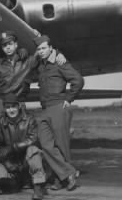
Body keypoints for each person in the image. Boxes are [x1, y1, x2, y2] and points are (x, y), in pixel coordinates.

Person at [34, 35, 84, 164]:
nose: (41, 51)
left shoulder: (59, 62)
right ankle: (65, 174)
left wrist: (69, 99)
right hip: (46, 108)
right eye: (39, 49)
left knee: (62, 146)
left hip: (58, 107)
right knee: (46, 144)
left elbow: (78, 80)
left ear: (50, 48)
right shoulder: (41, 65)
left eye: (44, 48)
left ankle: (66, 179)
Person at [0, 30, 66, 113]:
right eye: (4, 45)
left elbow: (44, 51)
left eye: (10, 44)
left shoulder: (28, 62)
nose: (8, 47)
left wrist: (57, 53)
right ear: (2, 48)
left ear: (16, 44)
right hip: (1, 102)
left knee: (23, 125)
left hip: (18, 102)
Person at [0, 93, 47, 200]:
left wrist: (15, 147)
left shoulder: (30, 119)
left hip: (26, 159)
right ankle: (12, 181)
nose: (11, 110)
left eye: (13, 107)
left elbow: (33, 139)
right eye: (8, 107)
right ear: (4, 108)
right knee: (1, 177)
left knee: (33, 151)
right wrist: (4, 160)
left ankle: (38, 186)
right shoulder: (0, 122)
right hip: (10, 160)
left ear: (19, 106)